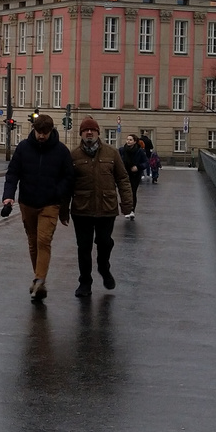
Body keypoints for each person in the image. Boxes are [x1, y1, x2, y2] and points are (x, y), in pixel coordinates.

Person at [2, 113, 76, 304]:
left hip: (50, 204)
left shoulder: (61, 151)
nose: (42, 136)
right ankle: (38, 277)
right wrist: (8, 196)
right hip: (27, 203)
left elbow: (69, 178)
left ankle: (39, 279)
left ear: (51, 131)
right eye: (39, 132)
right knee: (33, 242)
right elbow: (13, 173)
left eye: (45, 132)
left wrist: (56, 193)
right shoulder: (23, 148)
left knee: (44, 240)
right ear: (34, 130)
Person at [63, 118, 134, 298]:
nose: (89, 133)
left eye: (92, 130)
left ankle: (104, 267)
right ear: (81, 134)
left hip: (106, 208)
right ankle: (85, 282)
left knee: (104, 243)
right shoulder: (74, 156)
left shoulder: (111, 154)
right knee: (83, 248)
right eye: (85, 130)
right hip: (82, 209)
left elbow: (123, 179)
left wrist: (127, 204)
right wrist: (63, 209)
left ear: (97, 133)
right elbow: (66, 185)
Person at [120, 134, 145, 212]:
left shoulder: (139, 151)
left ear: (135, 141)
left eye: (130, 140)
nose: (128, 141)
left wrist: (138, 167)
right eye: (127, 139)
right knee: (125, 192)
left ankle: (132, 210)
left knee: (132, 192)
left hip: (135, 175)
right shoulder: (122, 150)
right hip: (124, 174)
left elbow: (146, 163)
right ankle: (126, 209)